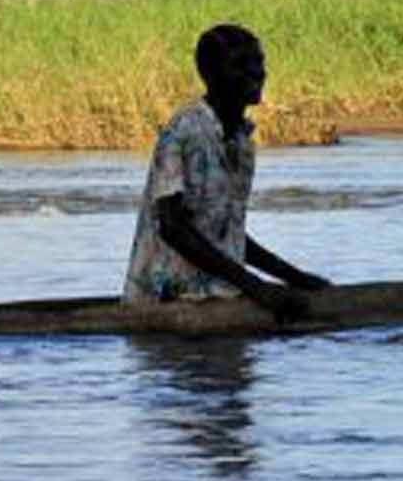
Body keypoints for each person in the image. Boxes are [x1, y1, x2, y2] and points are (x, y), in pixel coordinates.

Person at [124, 23, 332, 321]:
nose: (256, 73)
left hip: (218, 295)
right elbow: (172, 228)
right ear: (210, 75)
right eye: (241, 65)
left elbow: (226, 236)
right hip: (170, 301)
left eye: (259, 63)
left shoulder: (240, 140)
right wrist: (257, 288)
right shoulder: (184, 131)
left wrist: (295, 278)